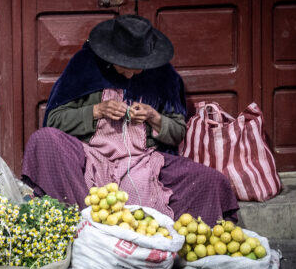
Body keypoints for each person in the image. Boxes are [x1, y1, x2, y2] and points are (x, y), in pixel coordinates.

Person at [21, 14, 239, 222]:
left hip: (144, 162)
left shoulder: (163, 75)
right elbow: (54, 120)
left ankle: (157, 230)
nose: (131, 75)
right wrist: (96, 111)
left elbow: (177, 132)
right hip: (90, 158)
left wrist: (154, 117)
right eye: (125, 67)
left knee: (211, 181)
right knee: (44, 140)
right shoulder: (85, 67)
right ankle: (83, 219)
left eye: (138, 69)